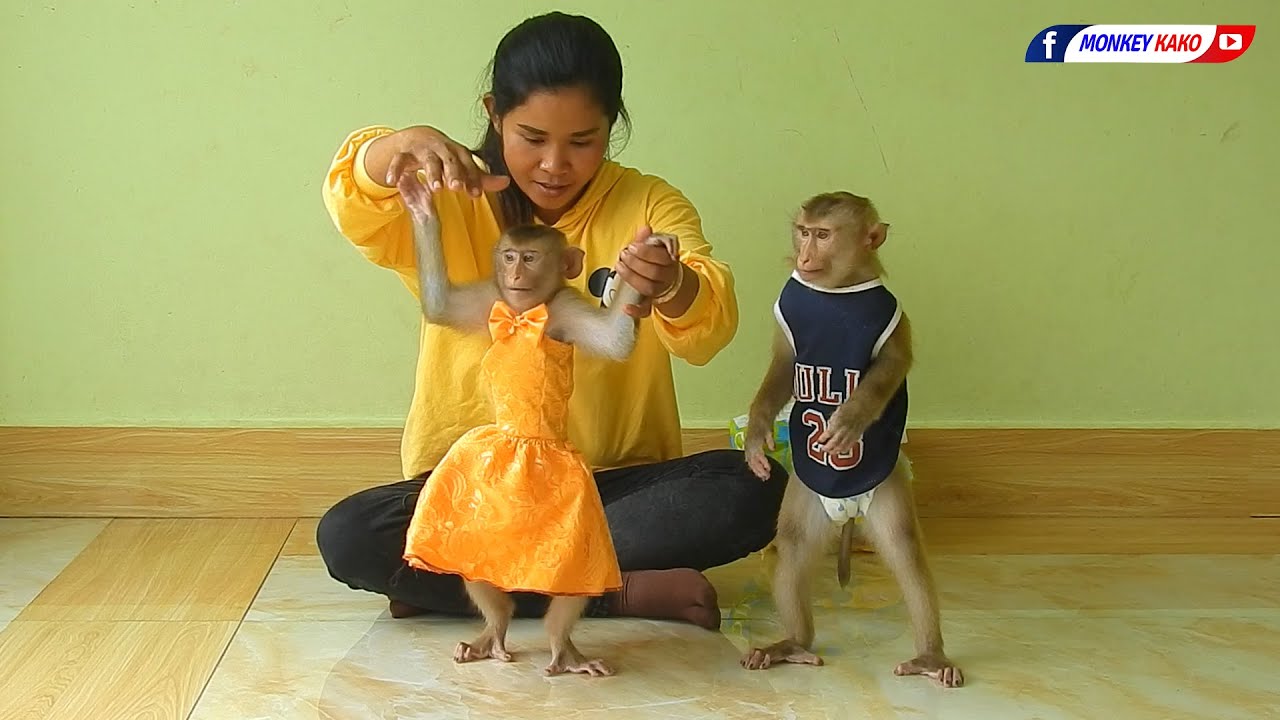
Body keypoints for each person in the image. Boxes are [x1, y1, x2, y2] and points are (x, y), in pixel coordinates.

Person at [316, 10, 787, 631]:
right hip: (474, 490)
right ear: (493, 112)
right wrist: (394, 150)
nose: (554, 165)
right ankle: (612, 594)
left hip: (605, 489)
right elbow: (353, 201)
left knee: (751, 487)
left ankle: (457, 585)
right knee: (349, 533)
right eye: (532, 137)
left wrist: (666, 283)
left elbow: (707, 325)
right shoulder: (454, 195)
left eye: (582, 141)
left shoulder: (646, 202)